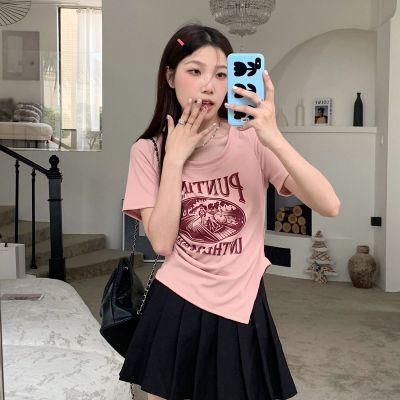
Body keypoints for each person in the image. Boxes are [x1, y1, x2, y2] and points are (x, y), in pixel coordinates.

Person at [119, 23, 340, 400]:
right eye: (195, 71)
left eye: (221, 74)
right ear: (170, 77)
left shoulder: (252, 140)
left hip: (242, 301)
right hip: (176, 300)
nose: (209, 85)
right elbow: (162, 242)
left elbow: (329, 204)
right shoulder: (148, 151)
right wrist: (175, 159)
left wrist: (274, 137)